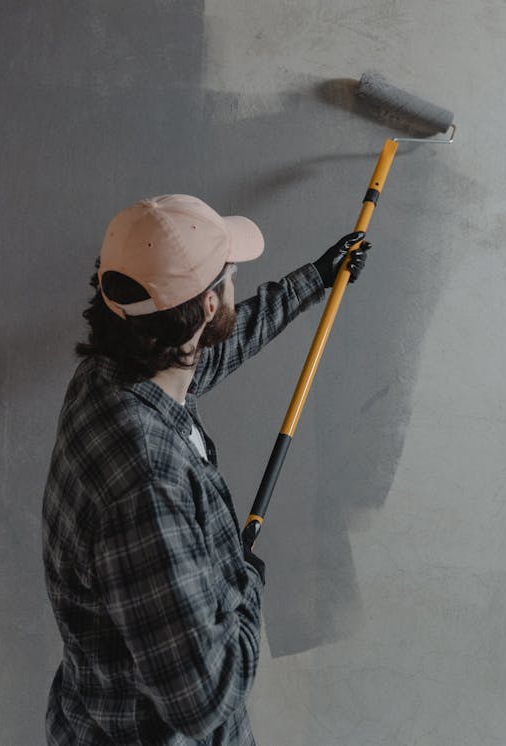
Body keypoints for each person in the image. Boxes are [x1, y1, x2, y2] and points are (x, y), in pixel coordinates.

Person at [42, 193, 371, 746]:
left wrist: (315, 278)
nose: (234, 287)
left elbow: (203, 357)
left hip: (98, 716)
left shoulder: (111, 375)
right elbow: (205, 699)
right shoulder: (147, 485)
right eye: (230, 277)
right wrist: (246, 586)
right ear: (210, 306)